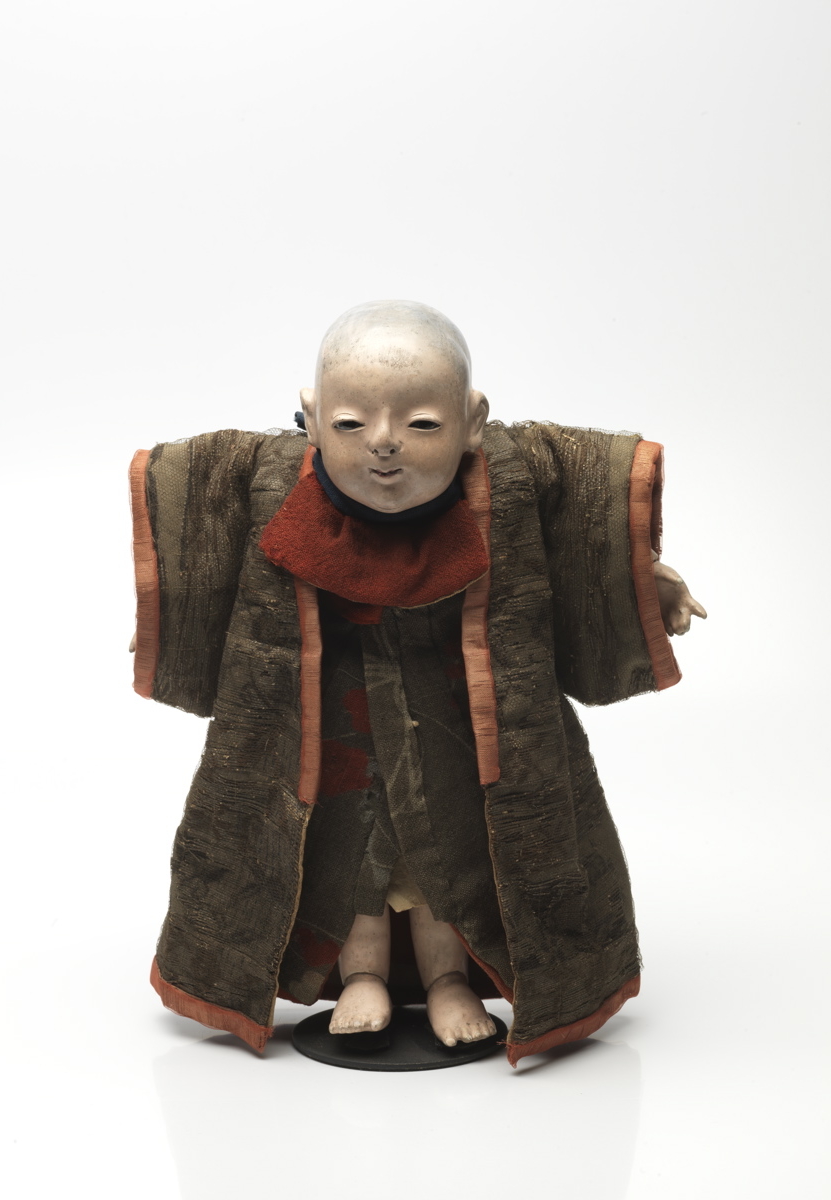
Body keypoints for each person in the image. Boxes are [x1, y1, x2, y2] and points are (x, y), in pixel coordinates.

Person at [129, 300, 705, 1065]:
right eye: (350, 423)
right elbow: (203, 540)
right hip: (334, 723)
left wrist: (645, 580)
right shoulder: (268, 480)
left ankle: (449, 983)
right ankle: (361, 977)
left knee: (448, 860)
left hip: (463, 718)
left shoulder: (512, 479)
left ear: (472, 421)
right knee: (347, 859)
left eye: (422, 423)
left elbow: (585, 534)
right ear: (311, 416)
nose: (384, 443)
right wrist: (172, 614)